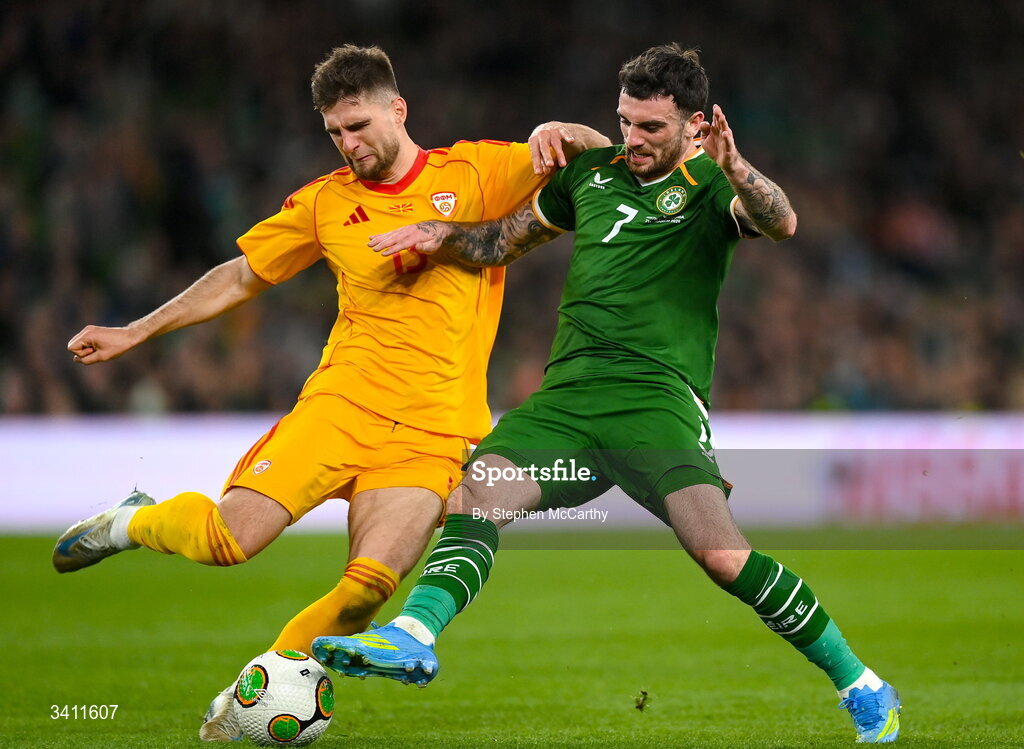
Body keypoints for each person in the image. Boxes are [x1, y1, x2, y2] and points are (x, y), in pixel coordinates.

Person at [311, 44, 901, 744]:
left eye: (652, 127)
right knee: (474, 495)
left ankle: (862, 684)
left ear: (694, 124)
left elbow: (780, 221)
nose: (634, 140)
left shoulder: (713, 186)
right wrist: (440, 234)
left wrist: (737, 167)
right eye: (625, 122)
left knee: (722, 557)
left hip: (656, 402)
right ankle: (412, 633)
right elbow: (503, 240)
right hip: (567, 400)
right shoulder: (589, 177)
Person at [52, 43, 610, 742]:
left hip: (434, 431)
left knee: (366, 590)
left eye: (358, 126)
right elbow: (241, 275)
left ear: (396, 110)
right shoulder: (324, 203)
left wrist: (557, 131)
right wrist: (136, 331)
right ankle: (131, 521)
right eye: (335, 133)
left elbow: (597, 158)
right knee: (230, 539)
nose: (349, 144)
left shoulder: (473, 171)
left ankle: (251, 692)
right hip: (340, 408)